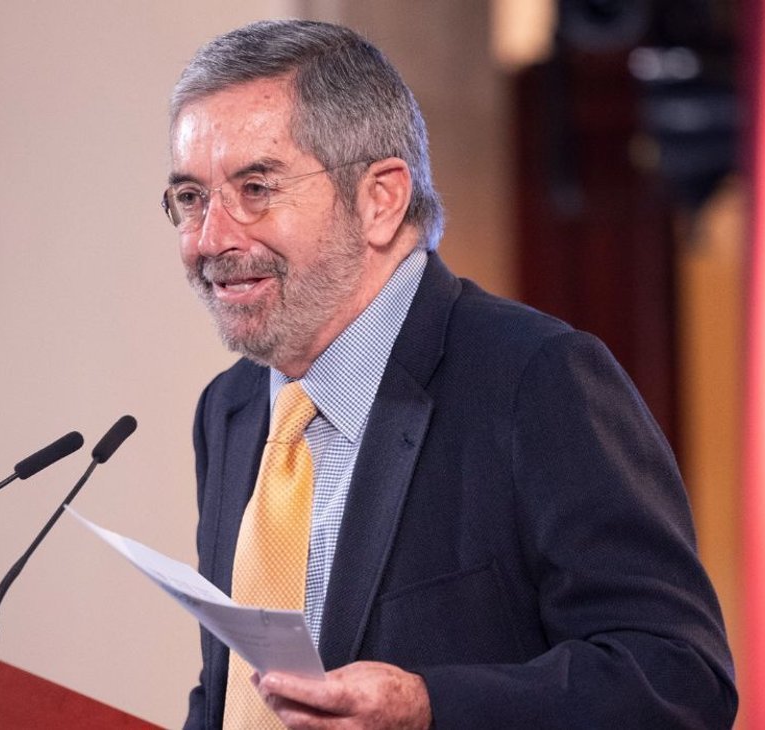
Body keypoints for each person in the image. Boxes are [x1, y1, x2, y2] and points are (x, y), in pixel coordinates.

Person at [164, 19, 736, 729]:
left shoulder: (536, 379)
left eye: (256, 188)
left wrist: (430, 707)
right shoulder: (232, 408)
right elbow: (234, 693)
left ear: (379, 199)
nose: (211, 239)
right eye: (190, 199)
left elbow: (677, 679)